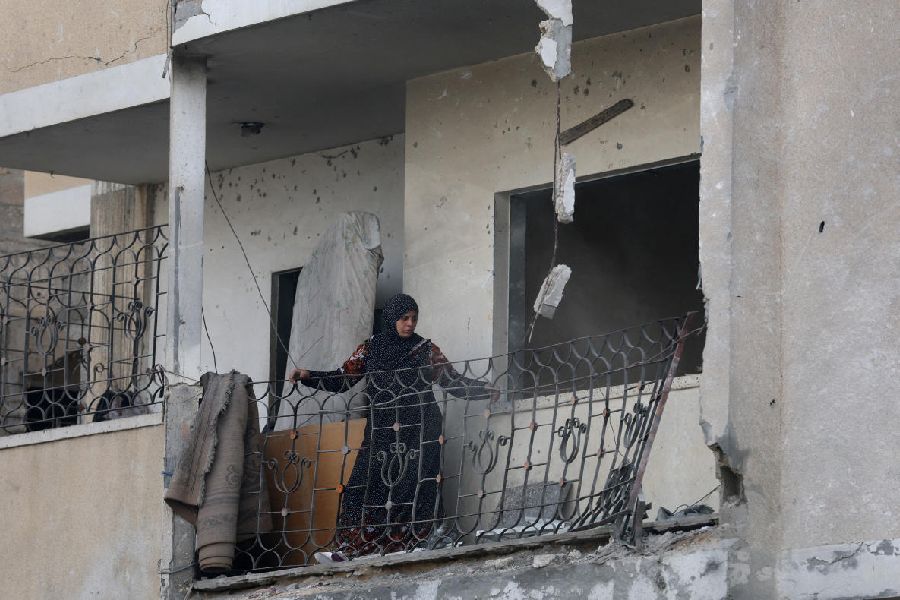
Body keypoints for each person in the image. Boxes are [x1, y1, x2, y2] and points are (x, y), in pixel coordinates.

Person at [288, 293, 492, 560]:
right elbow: (344, 378)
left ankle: (413, 545)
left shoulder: (426, 350)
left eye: (414, 319)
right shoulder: (371, 348)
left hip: (420, 427)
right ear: (391, 318)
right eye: (404, 318)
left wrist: (483, 389)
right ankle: (353, 549)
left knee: (414, 486)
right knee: (363, 485)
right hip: (382, 429)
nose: (410, 324)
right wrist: (309, 376)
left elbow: (452, 381)